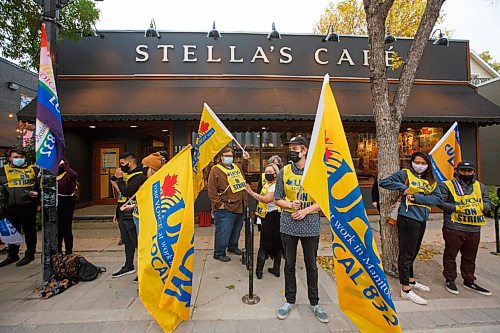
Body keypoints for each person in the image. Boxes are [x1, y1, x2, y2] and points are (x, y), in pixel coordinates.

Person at [274, 136, 329, 324]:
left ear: (304, 150)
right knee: (289, 264)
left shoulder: (315, 172)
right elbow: (277, 198)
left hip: (310, 225)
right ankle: (290, 301)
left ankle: (315, 303)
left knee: (311, 265)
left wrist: (305, 211)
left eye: (296, 148)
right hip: (288, 224)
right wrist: (290, 204)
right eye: (291, 148)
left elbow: (323, 201)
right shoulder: (284, 171)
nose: (292, 151)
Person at [379, 152, 441, 305]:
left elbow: (438, 198)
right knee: (406, 253)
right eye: (417, 162)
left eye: (423, 163)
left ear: (428, 165)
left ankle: (411, 280)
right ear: (412, 162)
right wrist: (403, 188)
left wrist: (419, 198)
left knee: (414, 250)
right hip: (408, 218)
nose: (419, 165)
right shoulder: (405, 173)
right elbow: (383, 182)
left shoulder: (431, 180)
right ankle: (405, 288)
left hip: (422, 218)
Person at [439, 161, 492, 296]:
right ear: (457, 171)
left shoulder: (480, 186)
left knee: (470, 256)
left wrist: (483, 207)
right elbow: (440, 202)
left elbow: (487, 201)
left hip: (474, 228)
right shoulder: (447, 185)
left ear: (474, 172)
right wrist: (456, 208)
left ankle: (469, 280)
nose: (466, 173)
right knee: (450, 254)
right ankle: (450, 279)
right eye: (463, 170)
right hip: (454, 226)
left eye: (469, 171)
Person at [207, 147, 249, 262]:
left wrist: (245, 160)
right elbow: (211, 190)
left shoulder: (236, 167)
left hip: (239, 205)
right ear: (221, 157)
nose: (229, 158)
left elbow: (243, 171)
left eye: (230, 156)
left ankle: (232, 246)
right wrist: (218, 204)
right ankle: (219, 252)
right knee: (223, 231)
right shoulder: (215, 170)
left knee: (236, 230)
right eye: (226, 156)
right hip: (225, 207)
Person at [0, 148, 40, 267]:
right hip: (10, 205)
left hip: (28, 205)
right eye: (15, 157)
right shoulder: (3, 171)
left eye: (20, 157)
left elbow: (39, 186)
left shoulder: (33, 169)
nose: (18, 159)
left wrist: (37, 196)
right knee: (12, 231)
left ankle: (30, 253)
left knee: (29, 231)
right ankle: (12, 254)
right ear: (9, 158)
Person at [110, 152, 147, 279]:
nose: (121, 167)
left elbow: (126, 192)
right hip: (122, 212)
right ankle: (128, 265)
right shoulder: (126, 174)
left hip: (132, 214)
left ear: (131, 162)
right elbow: (120, 197)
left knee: (137, 243)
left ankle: (142, 270)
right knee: (127, 242)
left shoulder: (139, 176)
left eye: (123, 163)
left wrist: (120, 180)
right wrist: (117, 213)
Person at [246, 163, 281, 279]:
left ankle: (260, 271)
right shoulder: (267, 184)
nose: (267, 174)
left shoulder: (275, 186)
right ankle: (269, 269)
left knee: (268, 244)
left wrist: (251, 193)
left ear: (276, 174)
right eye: (266, 172)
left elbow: (267, 199)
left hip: (274, 217)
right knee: (271, 243)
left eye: (270, 172)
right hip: (266, 216)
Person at [57, 159, 79, 254]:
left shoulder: (68, 174)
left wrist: (64, 166)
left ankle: (68, 251)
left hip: (67, 202)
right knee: (57, 229)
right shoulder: (51, 174)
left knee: (66, 228)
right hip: (55, 202)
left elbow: (74, 175)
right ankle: (58, 251)